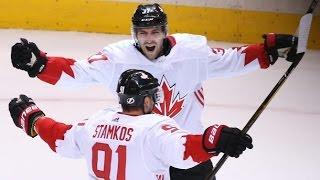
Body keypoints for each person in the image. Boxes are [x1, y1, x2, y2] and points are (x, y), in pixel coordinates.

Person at [10, 3, 301, 179]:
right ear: (134, 33)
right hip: (143, 153)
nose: (149, 39)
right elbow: (79, 71)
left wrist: (267, 51)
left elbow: (231, 60)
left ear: (165, 31)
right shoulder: (118, 58)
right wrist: (40, 64)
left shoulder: (191, 53)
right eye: (142, 33)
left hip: (189, 148)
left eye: (155, 32)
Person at [8, 69, 253, 180]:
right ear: (147, 100)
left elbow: (59, 137)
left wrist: (33, 118)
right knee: (199, 171)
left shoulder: (95, 123)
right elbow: (185, 151)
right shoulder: (154, 128)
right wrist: (217, 138)